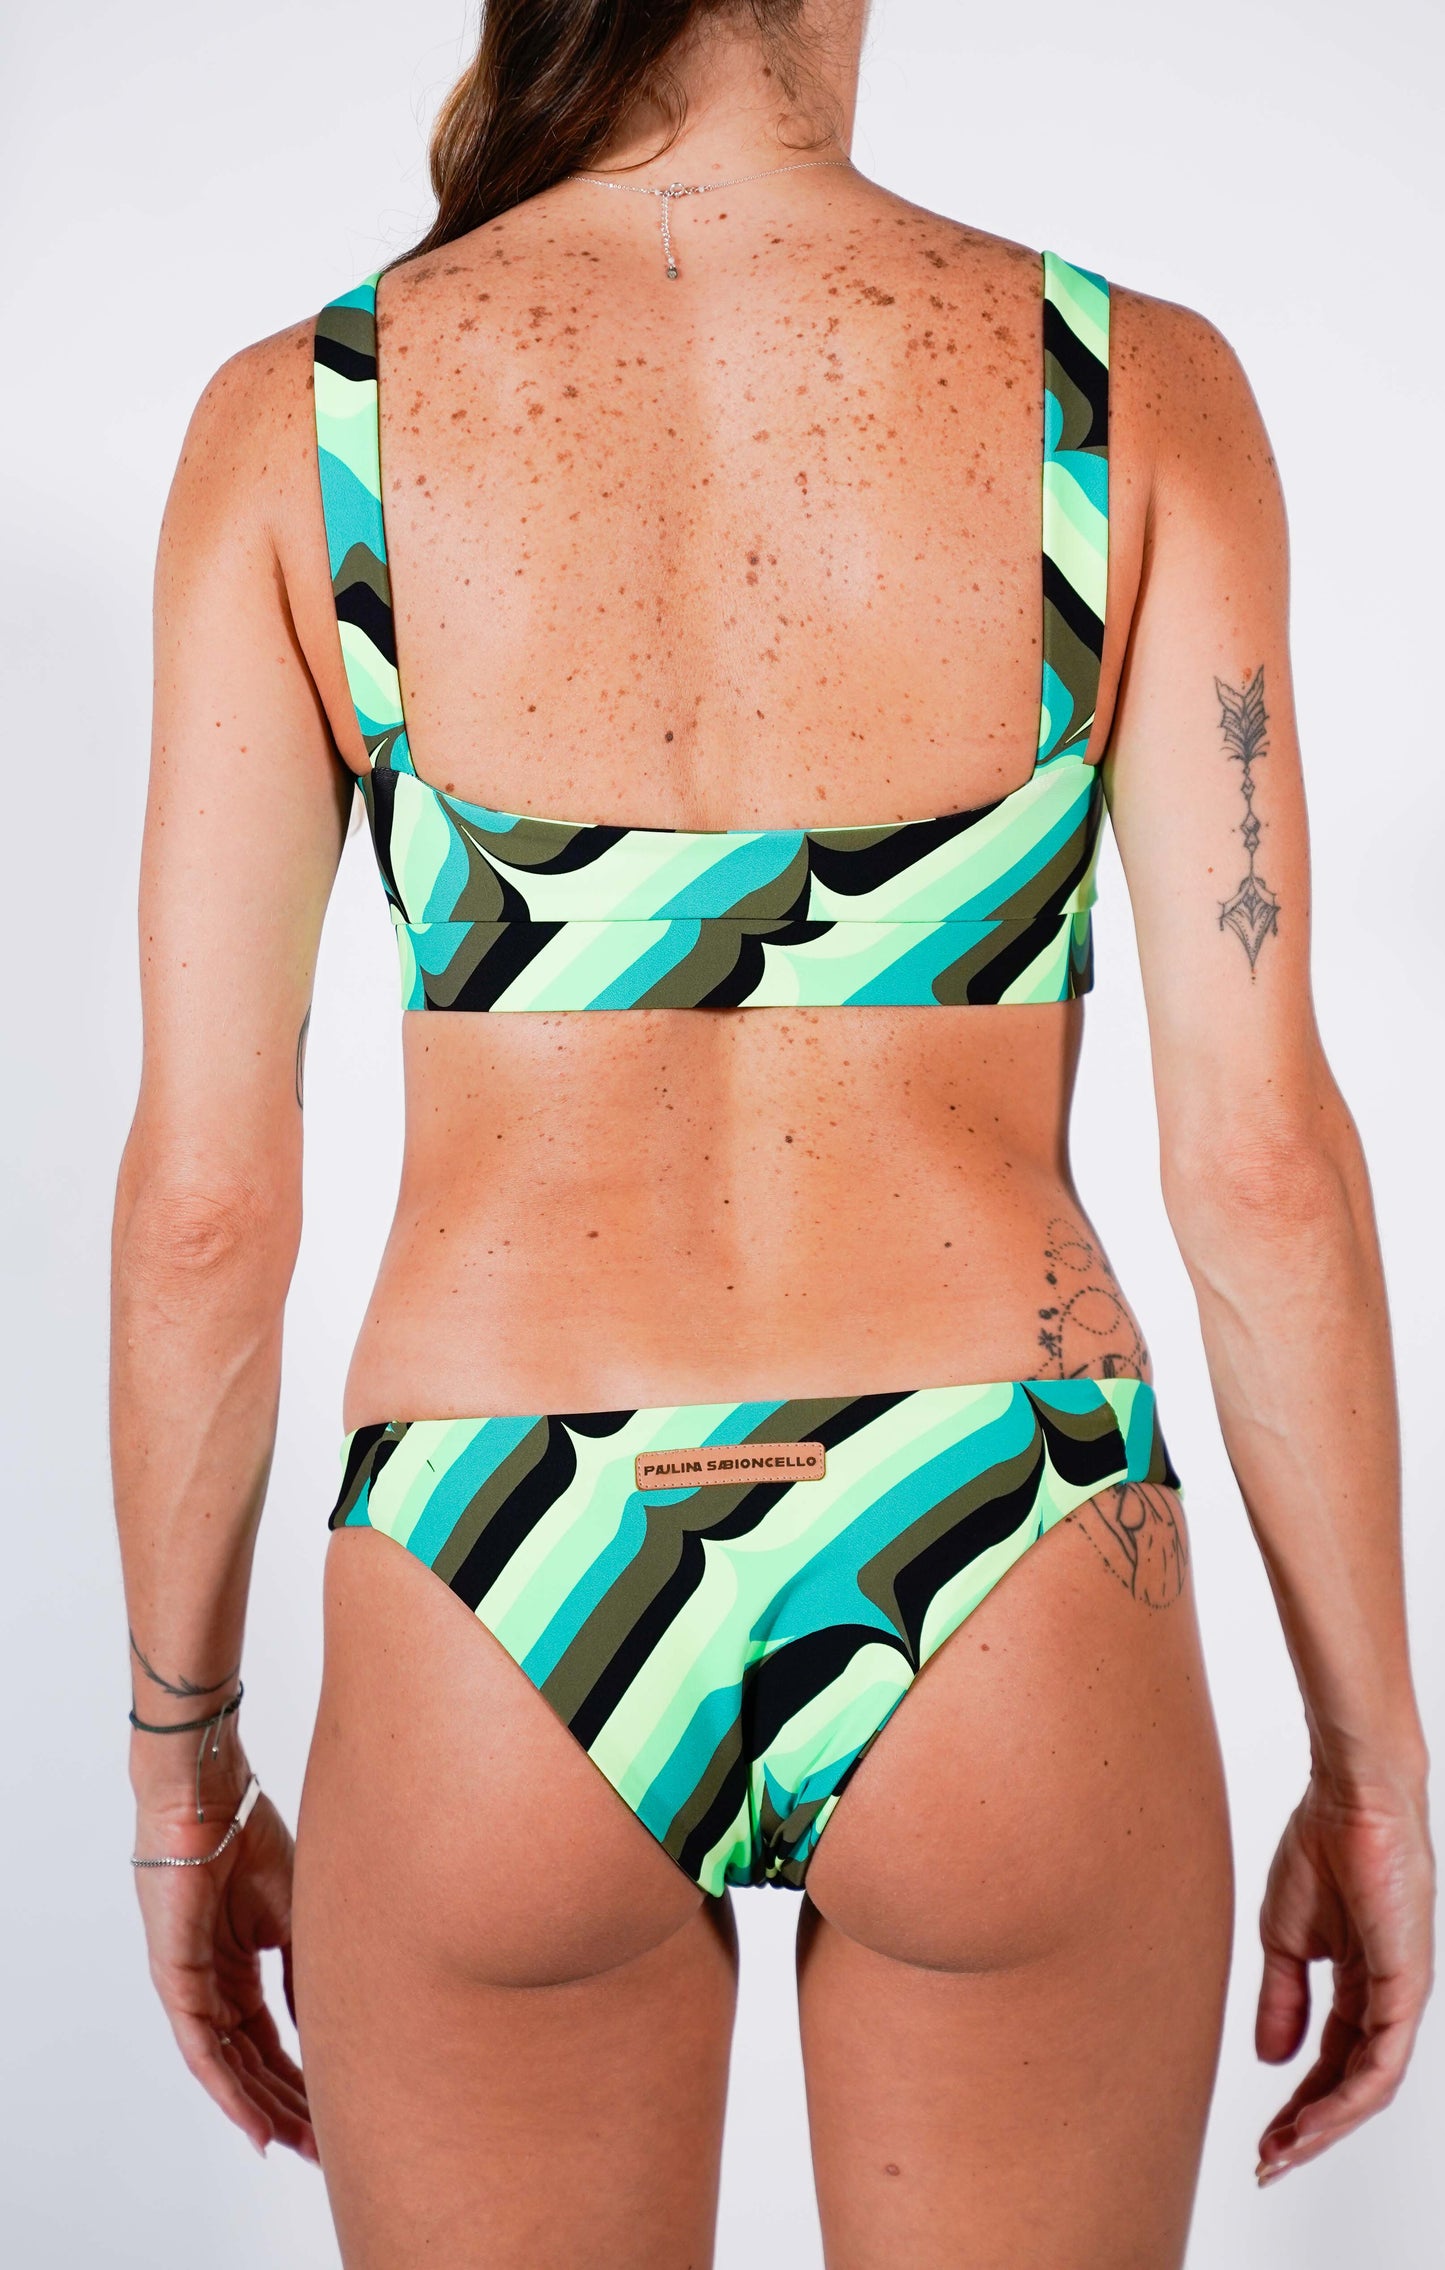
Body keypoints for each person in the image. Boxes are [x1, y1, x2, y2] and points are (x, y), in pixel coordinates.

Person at [110, 2, 1433, 2262]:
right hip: (1004, 1534)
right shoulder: (1129, 395)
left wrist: (180, 1772)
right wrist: (1371, 1760)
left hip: (493, 1564)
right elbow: (1259, 1166)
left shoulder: (305, 422)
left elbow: (210, 1205)